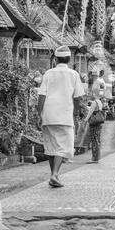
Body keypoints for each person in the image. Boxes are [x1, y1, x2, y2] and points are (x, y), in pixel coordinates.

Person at [37, 46, 85, 188]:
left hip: (48, 113)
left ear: (55, 59)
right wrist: (76, 113)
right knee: (63, 146)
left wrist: (39, 113)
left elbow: (41, 95)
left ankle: (54, 175)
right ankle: (55, 175)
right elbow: (77, 98)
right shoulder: (74, 74)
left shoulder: (48, 74)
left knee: (51, 145)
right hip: (65, 113)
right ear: (69, 59)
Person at [83, 85, 104, 164]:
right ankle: (96, 157)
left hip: (94, 123)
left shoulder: (94, 103)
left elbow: (90, 113)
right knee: (97, 140)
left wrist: (85, 120)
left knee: (94, 140)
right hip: (99, 123)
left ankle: (94, 158)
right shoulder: (99, 102)